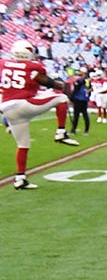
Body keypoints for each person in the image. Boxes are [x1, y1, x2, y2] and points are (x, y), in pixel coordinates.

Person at [0, 40, 79, 190]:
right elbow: (48, 82)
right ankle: (61, 132)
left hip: (7, 107)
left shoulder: (3, 63)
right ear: (29, 52)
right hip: (23, 103)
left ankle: (20, 178)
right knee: (61, 98)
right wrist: (61, 85)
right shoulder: (34, 66)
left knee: (23, 145)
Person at [67, 69, 90, 136]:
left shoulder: (80, 80)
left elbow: (76, 90)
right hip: (84, 99)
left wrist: (71, 97)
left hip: (78, 99)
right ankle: (86, 131)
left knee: (76, 115)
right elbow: (90, 89)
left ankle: (73, 130)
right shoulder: (88, 81)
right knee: (85, 115)